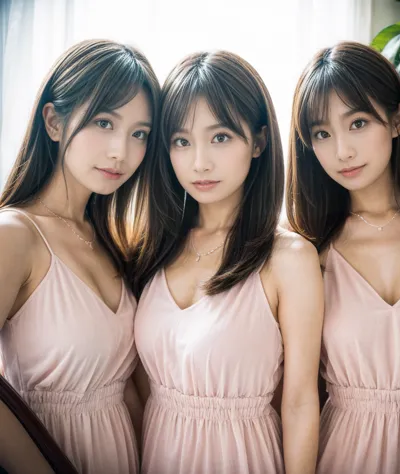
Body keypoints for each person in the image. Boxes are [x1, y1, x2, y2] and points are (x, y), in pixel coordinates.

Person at [131, 50, 324, 474]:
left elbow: (299, 403)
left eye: (220, 137)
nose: (199, 161)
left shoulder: (288, 259)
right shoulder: (152, 247)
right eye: (182, 141)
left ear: (257, 141)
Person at [286, 41, 400, 474]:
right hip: (341, 454)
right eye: (322, 133)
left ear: (396, 119)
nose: (342, 151)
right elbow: (297, 396)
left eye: (357, 123)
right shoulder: (307, 252)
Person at [0, 39, 161, 474]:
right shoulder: (14, 235)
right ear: (53, 121)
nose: (120, 152)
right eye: (104, 122)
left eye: (139, 134)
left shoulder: (112, 240)